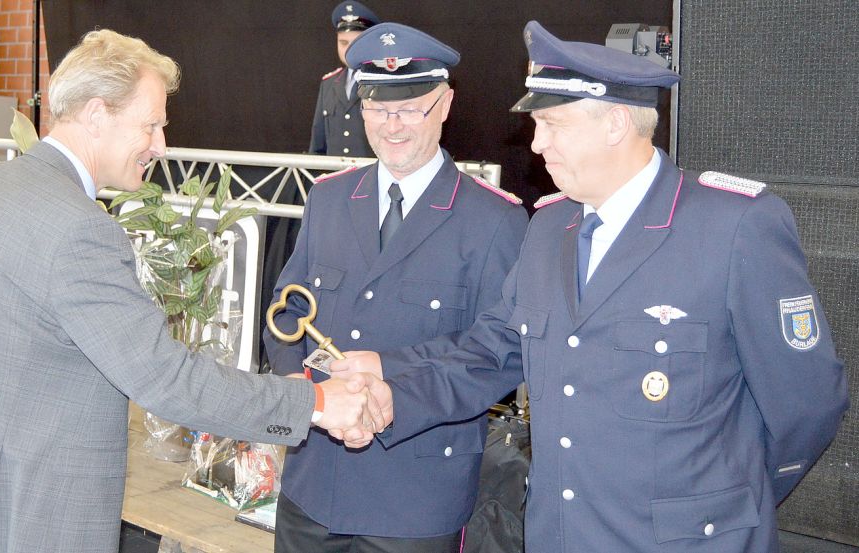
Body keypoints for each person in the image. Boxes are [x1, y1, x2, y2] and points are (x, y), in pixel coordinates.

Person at [335, 20, 849, 553]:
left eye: (553, 125)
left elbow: (806, 405)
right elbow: (489, 353)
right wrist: (390, 380)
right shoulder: (550, 227)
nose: (537, 145)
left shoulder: (733, 227)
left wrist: (731, 499)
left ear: (615, 124)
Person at [0, 29, 386, 553]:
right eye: (153, 125)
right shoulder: (79, 228)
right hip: (17, 519)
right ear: (97, 114)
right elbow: (166, 379)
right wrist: (316, 400)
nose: (162, 145)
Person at [265, 22, 529, 553]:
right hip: (313, 486)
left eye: (412, 108)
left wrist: (388, 374)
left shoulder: (494, 221)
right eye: (378, 108)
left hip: (414, 501)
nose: (393, 125)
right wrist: (303, 394)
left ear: (446, 104)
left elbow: (501, 356)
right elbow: (286, 312)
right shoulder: (330, 199)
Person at [307, 1, 379, 157]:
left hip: (370, 176)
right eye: (343, 43)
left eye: (356, 43)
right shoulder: (329, 83)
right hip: (335, 177)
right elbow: (318, 144)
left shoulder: (381, 80)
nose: (348, 50)